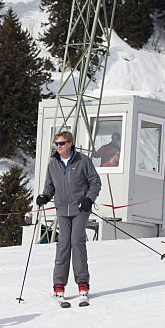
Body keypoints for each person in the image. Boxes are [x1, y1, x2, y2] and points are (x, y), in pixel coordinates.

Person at [36, 130, 102, 303]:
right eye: (56, 144)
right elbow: (49, 187)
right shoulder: (53, 164)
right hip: (62, 210)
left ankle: (82, 283)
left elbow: (95, 182)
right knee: (63, 244)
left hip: (80, 208)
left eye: (62, 143)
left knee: (76, 241)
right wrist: (44, 196)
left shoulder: (82, 161)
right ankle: (59, 285)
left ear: (70, 143)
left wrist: (89, 199)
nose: (59, 147)